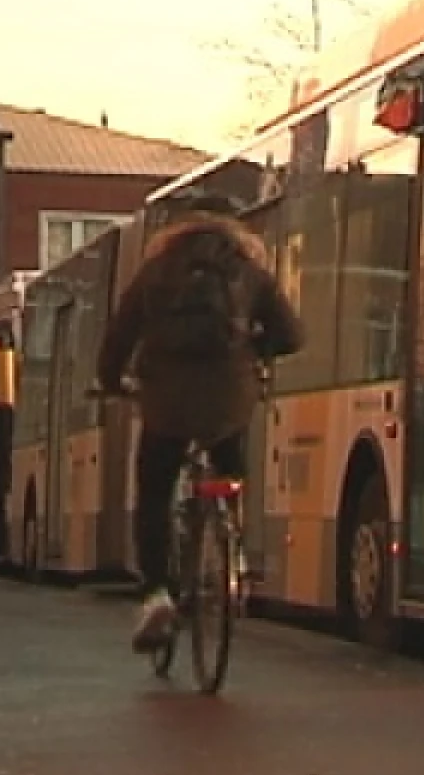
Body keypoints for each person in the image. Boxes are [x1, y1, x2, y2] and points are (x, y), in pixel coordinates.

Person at [95, 189, 303, 652]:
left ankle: (156, 593)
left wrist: (113, 382)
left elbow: (118, 338)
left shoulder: (156, 270)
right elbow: (293, 335)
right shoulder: (249, 271)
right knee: (230, 469)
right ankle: (231, 551)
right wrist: (254, 350)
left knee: (153, 490)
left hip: (165, 402)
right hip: (229, 399)